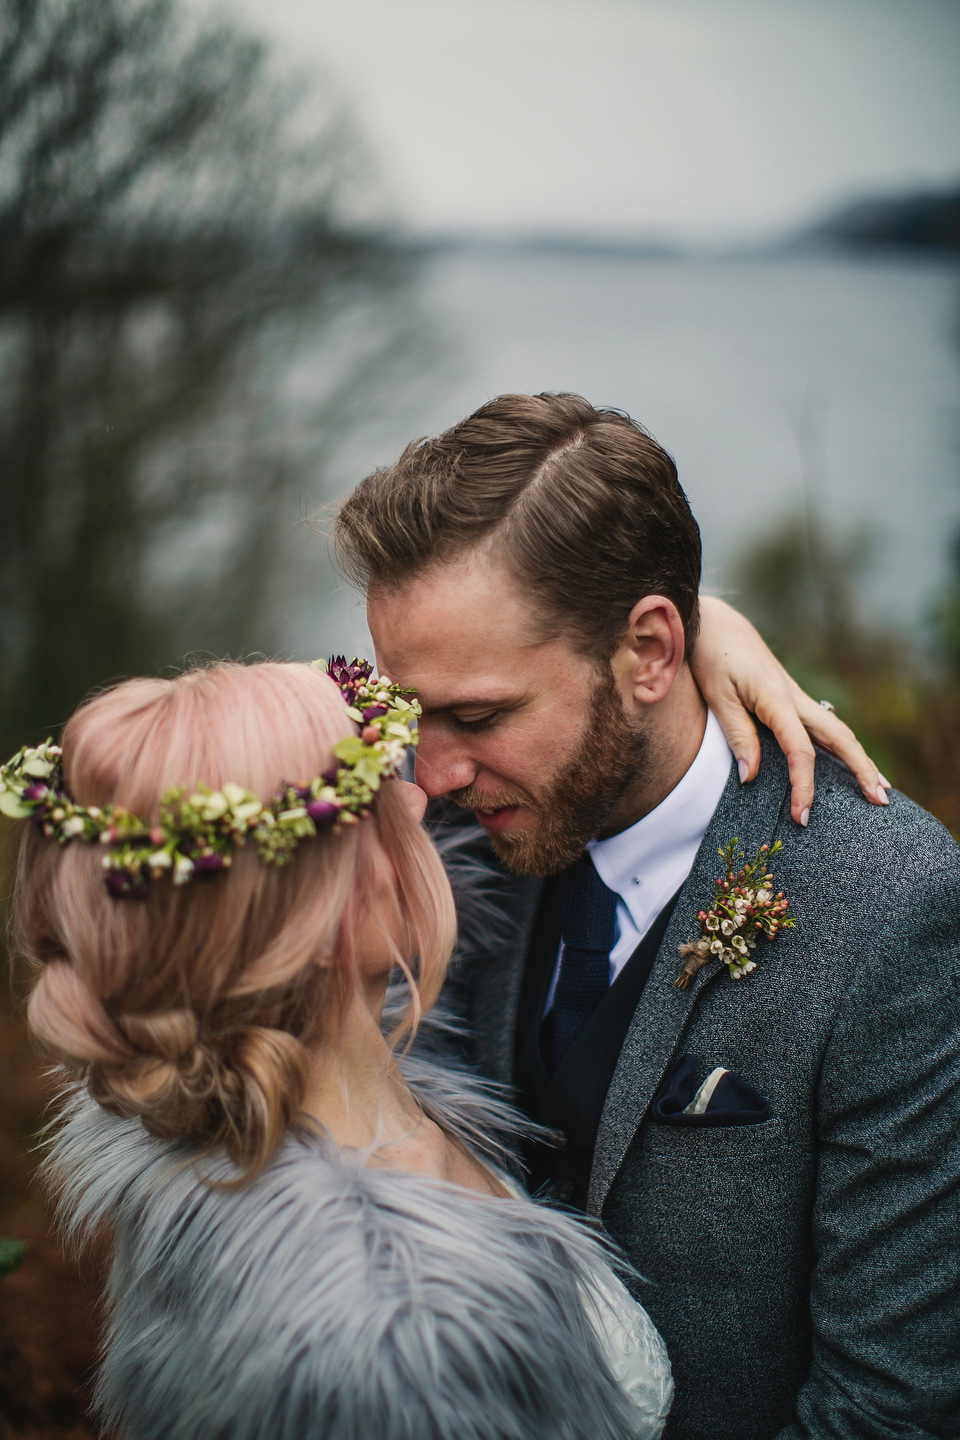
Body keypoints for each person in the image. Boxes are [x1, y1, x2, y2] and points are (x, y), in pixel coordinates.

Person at [336, 391, 960, 1440]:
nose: (429, 773)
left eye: (479, 716)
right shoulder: (435, 826)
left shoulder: (893, 910)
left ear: (650, 652)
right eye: (408, 714)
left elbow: (892, 1405)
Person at [8, 660, 672, 1440]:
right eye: (376, 798)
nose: (423, 794)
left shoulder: (260, 1096)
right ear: (320, 916)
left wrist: (656, 655)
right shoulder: (389, 1346)